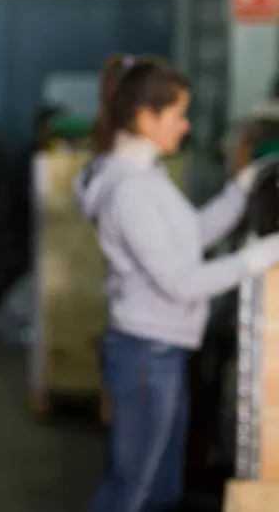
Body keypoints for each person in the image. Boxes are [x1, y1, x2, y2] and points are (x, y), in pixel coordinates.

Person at [73, 54, 279, 512]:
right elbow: (182, 281)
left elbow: (190, 240)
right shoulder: (129, 190)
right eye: (179, 115)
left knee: (161, 487)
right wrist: (260, 256)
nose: (185, 127)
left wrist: (241, 189)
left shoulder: (146, 174)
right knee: (130, 488)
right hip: (147, 353)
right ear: (146, 117)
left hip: (161, 348)